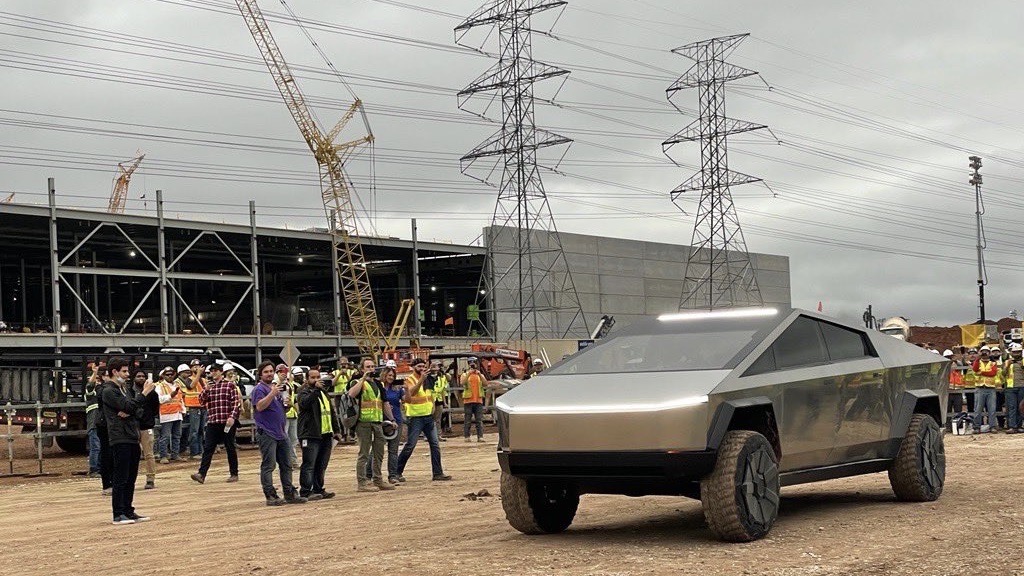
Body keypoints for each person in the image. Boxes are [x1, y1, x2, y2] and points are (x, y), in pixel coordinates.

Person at [100, 357, 155, 525]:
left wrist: (129, 409)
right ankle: (118, 513)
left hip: (132, 435)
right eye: (124, 371)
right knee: (121, 476)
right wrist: (143, 394)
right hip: (119, 437)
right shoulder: (109, 391)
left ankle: (128, 510)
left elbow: (137, 409)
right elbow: (131, 405)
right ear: (114, 372)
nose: (127, 374)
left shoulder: (125, 389)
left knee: (131, 477)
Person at [251, 360, 306, 506]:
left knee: (286, 464)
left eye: (271, 371)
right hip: (267, 432)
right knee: (269, 465)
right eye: (266, 372)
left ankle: (289, 493)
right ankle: (270, 494)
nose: (269, 374)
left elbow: (280, 409)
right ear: (260, 374)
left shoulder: (276, 388)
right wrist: (272, 394)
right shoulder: (260, 389)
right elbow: (260, 406)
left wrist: (286, 405)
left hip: (281, 432)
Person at [396, 358, 452, 482]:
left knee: (435, 445)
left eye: (423, 366)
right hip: (415, 417)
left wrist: (432, 407)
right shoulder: (410, 379)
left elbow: (430, 395)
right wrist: (421, 380)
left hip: (427, 416)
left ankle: (437, 473)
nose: (422, 369)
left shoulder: (427, 380)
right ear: (413, 367)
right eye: (419, 366)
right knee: (410, 445)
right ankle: (396, 472)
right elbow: (411, 393)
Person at [347, 357, 397, 491]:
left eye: (372, 367)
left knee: (379, 452)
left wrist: (392, 420)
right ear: (362, 369)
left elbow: (384, 403)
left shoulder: (378, 384)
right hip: (363, 422)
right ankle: (362, 483)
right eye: (367, 367)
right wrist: (363, 378)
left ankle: (378, 479)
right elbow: (351, 394)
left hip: (377, 422)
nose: (370, 369)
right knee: (363, 453)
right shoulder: (356, 382)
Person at [191, 362, 241, 484]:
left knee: (230, 447)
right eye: (211, 371)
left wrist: (232, 417)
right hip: (213, 421)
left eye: (215, 370)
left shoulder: (229, 385)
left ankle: (234, 473)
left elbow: (236, 403)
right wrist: (206, 389)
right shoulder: (209, 386)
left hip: (227, 421)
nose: (213, 373)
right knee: (208, 448)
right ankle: (201, 474)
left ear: (221, 372)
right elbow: (201, 401)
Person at [297, 368, 342, 500]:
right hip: (310, 434)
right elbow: (305, 403)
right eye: (313, 377)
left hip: (325, 434)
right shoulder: (303, 391)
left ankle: (318, 488)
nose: (316, 380)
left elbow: (331, 411)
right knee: (309, 464)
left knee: (321, 464)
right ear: (307, 379)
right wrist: (316, 390)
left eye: (318, 377)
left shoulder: (323, 392)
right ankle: (305, 491)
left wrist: (337, 430)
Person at [366, 367, 403, 484]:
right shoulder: (378, 388)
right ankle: (369, 474)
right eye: (389, 375)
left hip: (396, 421)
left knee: (393, 450)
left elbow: (407, 400)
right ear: (384, 375)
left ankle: (393, 475)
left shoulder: (397, 389)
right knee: (376, 450)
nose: (391, 377)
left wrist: (406, 390)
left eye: (393, 375)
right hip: (381, 421)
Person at [133, 370, 160, 490]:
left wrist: (148, 419)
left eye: (143, 376)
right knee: (132, 455)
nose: (141, 378)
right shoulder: (129, 391)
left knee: (149, 454)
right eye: (138, 376)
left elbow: (155, 409)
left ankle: (150, 479)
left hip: (146, 426)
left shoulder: (153, 394)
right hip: (132, 427)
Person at [156, 365, 187, 463]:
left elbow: (180, 399)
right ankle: (163, 456)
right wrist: (170, 396)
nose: (169, 376)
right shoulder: (160, 386)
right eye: (167, 374)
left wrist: (183, 410)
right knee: (165, 436)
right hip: (167, 415)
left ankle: (175, 454)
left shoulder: (176, 385)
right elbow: (159, 400)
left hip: (177, 414)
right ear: (164, 376)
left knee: (177, 436)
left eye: (171, 374)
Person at [182, 359, 207, 461]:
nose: (197, 368)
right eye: (194, 366)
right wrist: (198, 375)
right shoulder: (188, 379)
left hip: (203, 407)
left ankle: (200, 451)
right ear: (191, 368)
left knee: (201, 430)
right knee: (194, 431)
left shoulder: (203, 380)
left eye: (198, 366)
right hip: (193, 408)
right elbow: (191, 386)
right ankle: (194, 452)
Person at [972, 347, 1000, 433]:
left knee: (992, 409)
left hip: (990, 388)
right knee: (977, 409)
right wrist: (978, 357)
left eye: (986, 352)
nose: (985, 353)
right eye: (983, 352)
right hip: (980, 387)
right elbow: (975, 369)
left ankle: (992, 426)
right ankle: (976, 427)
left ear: (989, 353)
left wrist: (982, 372)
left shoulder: (993, 363)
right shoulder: (977, 362)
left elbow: (993, 373)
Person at [460, 357, 487, 442]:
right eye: (471, 363)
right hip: (468, 401)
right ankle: (467, 436)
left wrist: (479, 374)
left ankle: (480, 436)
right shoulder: (465, 374)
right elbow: (462, 382)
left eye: (474, 363)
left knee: (479, 420)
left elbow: (485, 384)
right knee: (468, 420)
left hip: (478, 400)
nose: (473, 365)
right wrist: (469, 374)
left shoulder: (480, 375)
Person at [84, 361, 103, 479]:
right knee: (96, 447)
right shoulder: (90, 394)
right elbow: (90, 385)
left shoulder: (103, 394)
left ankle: (99, 468)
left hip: (101, 424)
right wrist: (95, 372)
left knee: (101, 448)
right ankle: (94, 469)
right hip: (94, 424)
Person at [1004, 344, 1024, 433]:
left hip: (1022, 386)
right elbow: (1003, 374)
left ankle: (1019, 426)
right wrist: (1007, 366)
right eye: (1014, 352)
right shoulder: (1007, 362)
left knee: (1021, 407)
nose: (1016, 354)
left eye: (1018, 352)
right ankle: (1012, 426)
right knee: (1012, 407)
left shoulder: (1023, 361)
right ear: (1011, 352)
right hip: (1010, 387)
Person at [428, 361, 449, 441]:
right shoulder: (427, 377)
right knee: (429, 419)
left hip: (438, 399)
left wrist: (444, 402)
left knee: (438, 419)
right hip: (429, 400)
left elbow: (443, 390)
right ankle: (428, 436)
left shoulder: (441, 377)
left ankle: (438, 435)